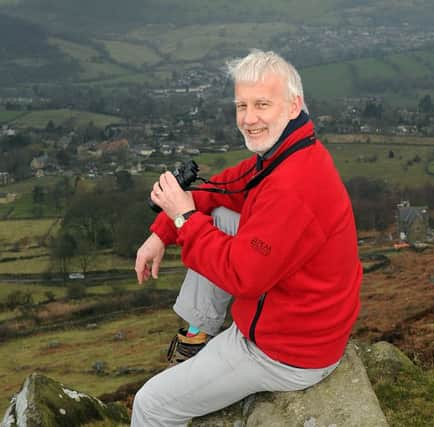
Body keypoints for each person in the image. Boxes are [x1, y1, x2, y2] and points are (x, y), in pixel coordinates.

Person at [131, 49, 362, 426]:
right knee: (223, 215)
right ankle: (196, 336)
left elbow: (243, 276)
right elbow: (222, 189)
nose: (249, 119)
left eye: (261, 105)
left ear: (293, 105)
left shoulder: (291, 186)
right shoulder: (287, 152)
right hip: (305, 322)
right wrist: (162, 231)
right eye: (242, 105)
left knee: (150, 405)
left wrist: (184, 218)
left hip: (286, 351)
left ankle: (211, 351)